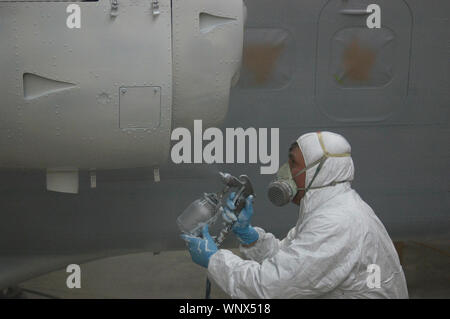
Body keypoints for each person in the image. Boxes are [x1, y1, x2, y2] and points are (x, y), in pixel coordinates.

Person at [182, 131, 409, 298]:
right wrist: (250, 237)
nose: (284, 171)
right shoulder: (329, 206)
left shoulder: (336, 222)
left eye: (293, 163)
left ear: (318, 172)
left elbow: (268, 287)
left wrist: (215, 260)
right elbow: (292, 257)